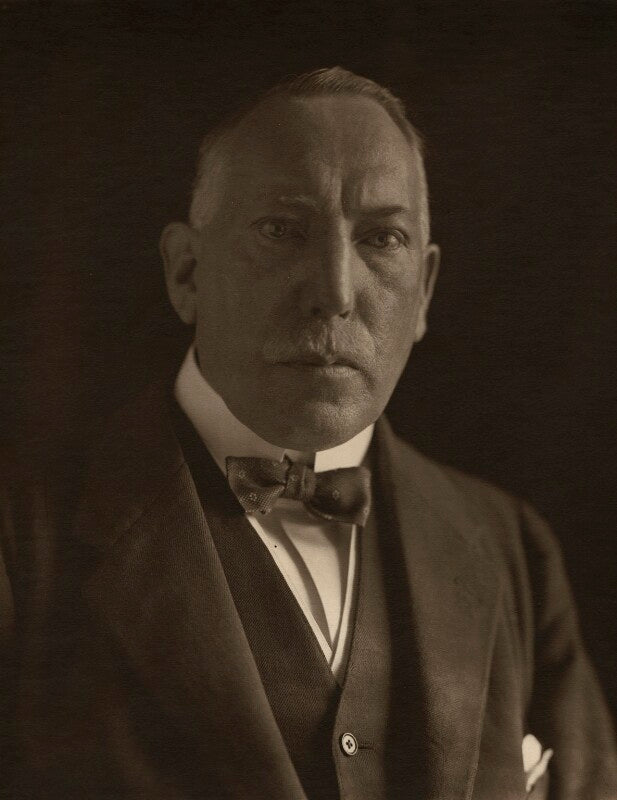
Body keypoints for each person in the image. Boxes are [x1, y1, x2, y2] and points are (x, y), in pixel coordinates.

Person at [1, 67, 616, 800]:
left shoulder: (514, 550)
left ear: (423, 291)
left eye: (381, 237)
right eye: (282, 231)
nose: (335, 290)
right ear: (186, 272)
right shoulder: (23, 537)